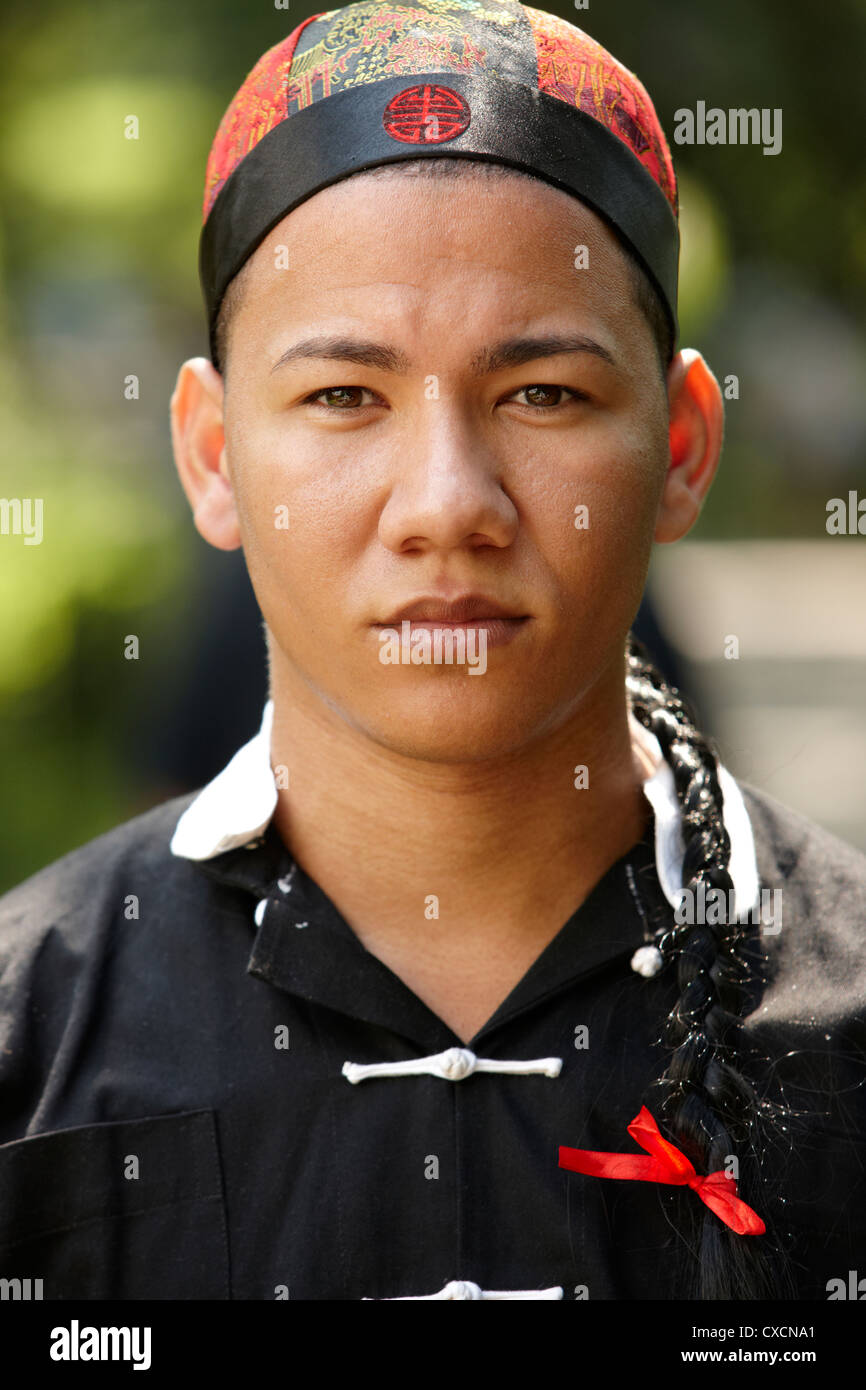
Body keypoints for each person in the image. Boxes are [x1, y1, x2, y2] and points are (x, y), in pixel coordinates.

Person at [1, 0, 864, 1303]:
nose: (447, 500)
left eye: (543, 394)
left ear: (681, 445)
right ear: (212, 452)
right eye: (344, 395)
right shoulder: (32, 1035)